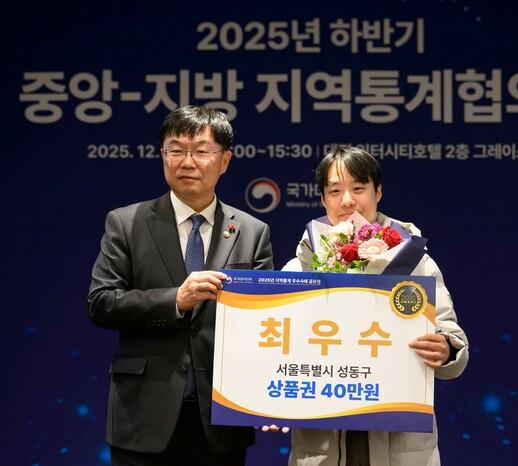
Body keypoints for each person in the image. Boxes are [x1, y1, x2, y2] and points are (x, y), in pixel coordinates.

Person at [87, 105, 274, 466]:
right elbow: (101, 303)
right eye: (176, 150)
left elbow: (264, 323)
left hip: (220, 420)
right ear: (163, 156)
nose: (187, 162)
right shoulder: (126, 223)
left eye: (201, 151)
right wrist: (175, 300)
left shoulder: (252, 232)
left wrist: (267, 398)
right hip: (145, 415)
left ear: (224, 160)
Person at [281, 146, 468, 466]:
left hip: (400, 444)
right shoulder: (299, 269)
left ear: (377, 191)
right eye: (335, 191)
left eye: (358, 188)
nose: (347, 201)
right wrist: (271, 403)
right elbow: (278, 350)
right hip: (322, 443)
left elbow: (453, 341)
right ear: (323, 199)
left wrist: (447, 349)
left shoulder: (415, 264)